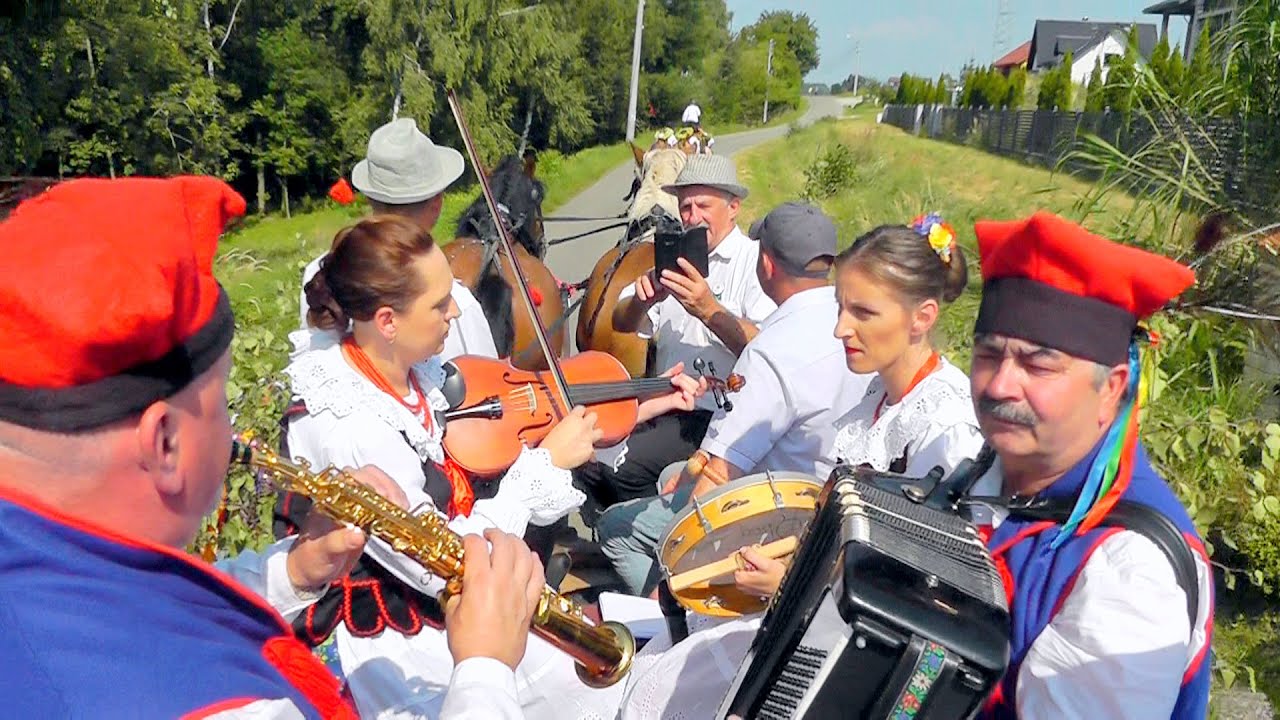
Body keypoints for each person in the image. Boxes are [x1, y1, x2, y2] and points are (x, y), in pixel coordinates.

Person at [0, 176, 551, 719]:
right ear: (165, 442)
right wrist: (483, 668)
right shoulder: (229, 705)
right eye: (219, 404)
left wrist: (295, 570)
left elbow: (142, 610)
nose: (239, 435)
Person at [282, 214, 704, 719]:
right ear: (388, 322)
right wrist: (541, 471)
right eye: (439, 304)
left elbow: (512, 427)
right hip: (413, 641)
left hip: (474, 597)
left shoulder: (414, 375)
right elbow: (438, 563)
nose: (457, 312)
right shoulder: (348, 427)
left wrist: (647, 401)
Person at [574, 213, 985, 720]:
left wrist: (794, 586)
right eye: (839, 307)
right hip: (817, 601)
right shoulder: (877, 396)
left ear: (921, 317)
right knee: (652, 676)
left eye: (862, 312)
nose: (840, 329)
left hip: (868, 655)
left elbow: (934, 593)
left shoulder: (945, 425)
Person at [962, 211, 1212, 719]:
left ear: (1112, 390)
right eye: (989, 355)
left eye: (1038, 365)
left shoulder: (1130, 575)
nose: (999, 385)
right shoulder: (985, 479)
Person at [595, 202, 874, 596]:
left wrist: (675, 570)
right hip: (827, 502)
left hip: (769, 515)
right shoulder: (856, 328)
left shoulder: (769, 350)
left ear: (768, 265)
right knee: (667, 475)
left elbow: (718, 474)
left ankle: (668, 612)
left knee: (615, 529)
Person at [575, 154, 777, 511]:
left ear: (733, 207)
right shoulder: (672, 256)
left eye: (703, 205)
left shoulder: (753, 263)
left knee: (618, 470)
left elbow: (765, 347)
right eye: (685, 207)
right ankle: (619, 532)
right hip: (665, 403)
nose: (692, 217)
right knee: (581, 449)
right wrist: (640, 301)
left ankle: (647, 534)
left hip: (717, 418)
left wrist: (708, 309)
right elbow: (621, 322)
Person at [298, 116, 497, 363]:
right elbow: (490, 384)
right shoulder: (453, 302)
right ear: (437, 204)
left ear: (370, 198)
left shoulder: (320, 276)